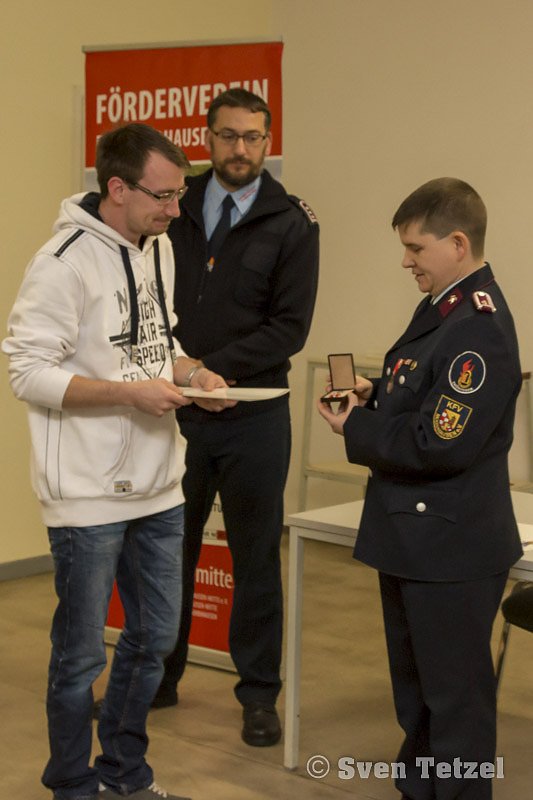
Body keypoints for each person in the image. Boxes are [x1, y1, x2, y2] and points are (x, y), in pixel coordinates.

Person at [2, 123, 233, 800]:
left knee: (156, 637)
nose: (174, 209)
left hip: (160, 486)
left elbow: (154, 344)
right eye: (161, 196)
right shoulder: (62, 261)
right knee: (78, 658)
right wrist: (128, 394)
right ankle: (72, 784)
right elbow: (27, 372)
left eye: (180, 195)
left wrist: (193, 374)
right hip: (85, 493)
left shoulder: (156, 248)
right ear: (116, 188)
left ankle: (124, 774)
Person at [318, 178, 523, 800]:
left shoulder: (479, 326)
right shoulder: (447, 306)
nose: (406, 260)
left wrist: (358, 425)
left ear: (458, 243)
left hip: (449, 545)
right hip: (415, 536)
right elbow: (422, 393)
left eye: (416, 247)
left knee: (455, 705)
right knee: (419, 697)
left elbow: (441, 441)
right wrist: (374, 394)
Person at [152, 88, 319, 747]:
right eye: (227, 136)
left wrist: (207, 366)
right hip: (175, 410)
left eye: (252, 137)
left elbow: (289, 328)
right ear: (207, 137)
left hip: (254, 416)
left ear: (267, 139)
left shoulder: (293, 221)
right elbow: (149, 299)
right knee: (167, 552)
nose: (240, 148)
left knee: (253, 561)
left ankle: (257, 697)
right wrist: (185, 373)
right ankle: (158, 680)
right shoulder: (175, 206)